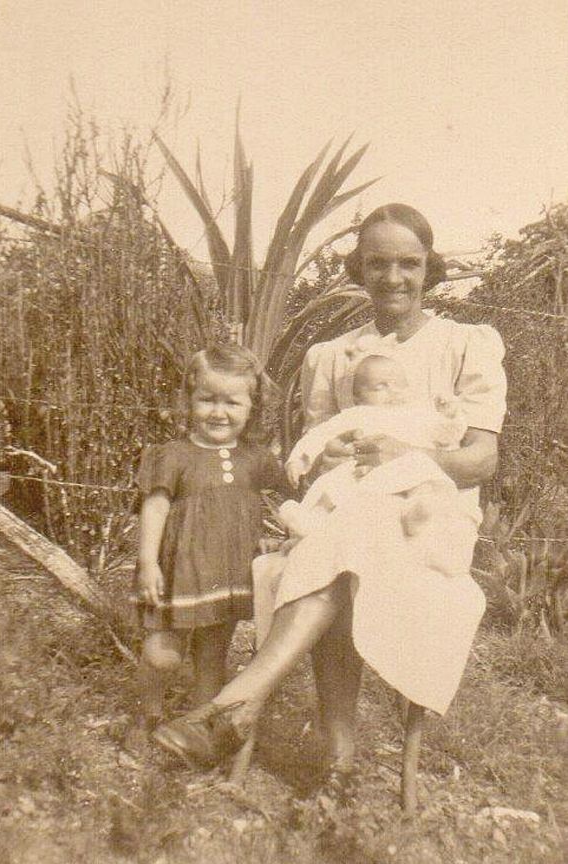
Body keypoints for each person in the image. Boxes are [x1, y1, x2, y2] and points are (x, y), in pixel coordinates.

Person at [152, 203, 507, 791]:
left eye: (408, 263)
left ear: (429, 266)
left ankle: (238, 706)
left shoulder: (466, 344)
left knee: (344, 546)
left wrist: (409, 455)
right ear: (359, 269)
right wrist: (329, 459)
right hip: (351, 513)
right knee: (346, 545)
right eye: (378, 263)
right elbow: (312, 462)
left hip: (429, 519)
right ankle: (336, 758)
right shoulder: (332, 355)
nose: (393, 278)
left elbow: (481, 460)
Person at [128, 344, 290, 747]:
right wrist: (147, 562)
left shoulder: (256, 459)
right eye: (207, 399)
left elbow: (291, 495)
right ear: (189, 400)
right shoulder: (172, 456)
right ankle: (148, 713)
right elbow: (154, 507)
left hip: (228, 574)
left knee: (212, 655)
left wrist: (288, 535)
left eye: (232, 402)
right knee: (162, 655)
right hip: (177, 572)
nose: (219, 412)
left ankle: (196, 732)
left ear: (252, 407)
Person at [280, 350, 468, 538]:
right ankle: (312, 520)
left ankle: (417, 513)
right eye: (380, 387)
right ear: (358, 397)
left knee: (424, 471)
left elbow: (447, 435)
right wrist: (298, 460)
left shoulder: (416, 414)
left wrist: (450, 415)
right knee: (335, 485)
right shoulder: (355, 415)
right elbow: (319, 435)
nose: (393, 391)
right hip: (362, 472)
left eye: (399, 384)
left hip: (404, 467)